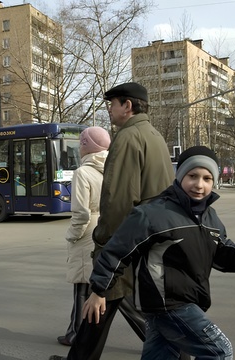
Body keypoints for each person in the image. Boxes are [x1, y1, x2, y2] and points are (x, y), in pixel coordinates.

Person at [82, 146, 235, 359]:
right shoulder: (152, 214)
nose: (199, 185)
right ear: (180, 176)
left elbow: (225, 257)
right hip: (168, 305)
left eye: (207, 178)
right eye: (192, 176)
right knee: (219, 351)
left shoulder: (210, 217)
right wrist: (99, 291)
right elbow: (116, 252)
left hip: (186, 303)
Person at [50, 82, 175, 360]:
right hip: (150, 238)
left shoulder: (127, 137)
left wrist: (102, 244)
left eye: (112, 103)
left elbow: (118, 200)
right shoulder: (154, 135)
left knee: (102, 300)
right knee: (105, 306)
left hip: (128, 242)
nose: (109, 109)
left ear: (126, 106)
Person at [57, 127, 111, 346]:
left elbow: (80, 213)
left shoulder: (83, 173)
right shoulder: (112, 169)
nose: (79, 148)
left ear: (87, 146)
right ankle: (75, 331)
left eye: (81, 143)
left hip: (88, 231)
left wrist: (72, 235)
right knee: (98, 286)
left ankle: (76, 334)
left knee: (81, 286)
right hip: (106, 228)